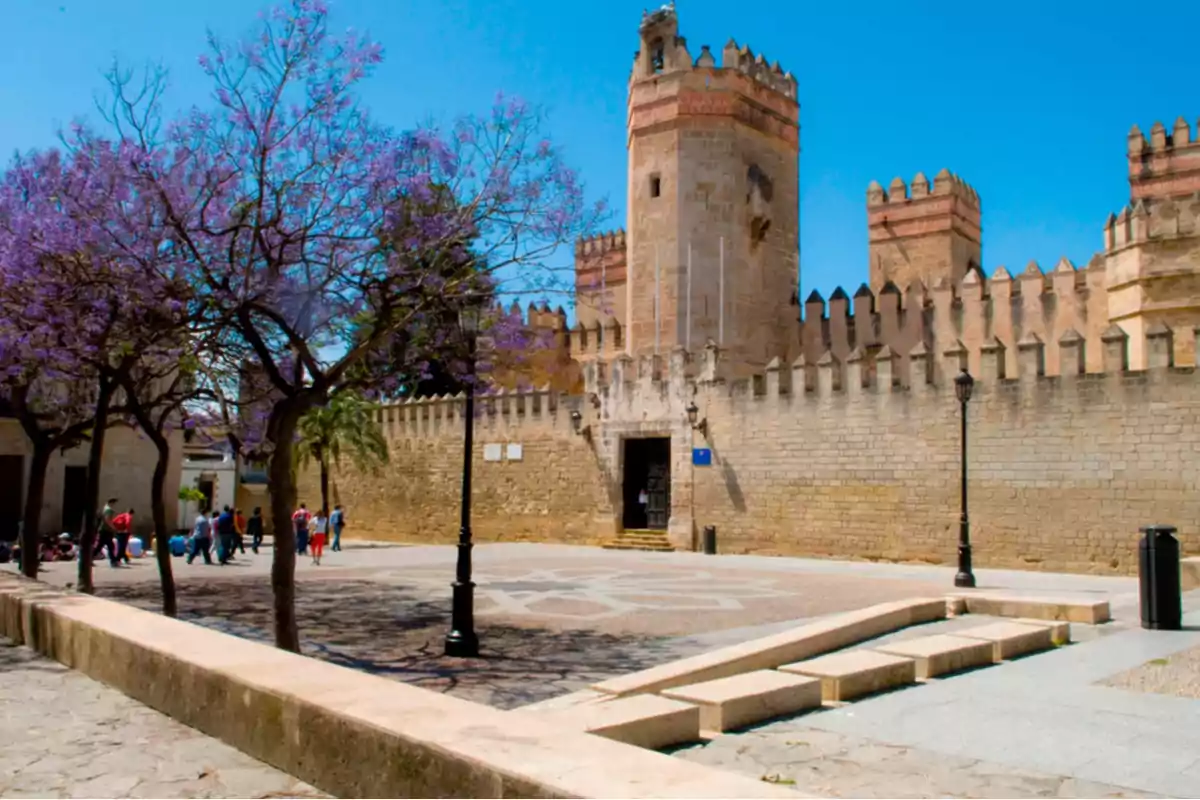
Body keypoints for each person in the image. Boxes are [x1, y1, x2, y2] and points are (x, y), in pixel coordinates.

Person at [100, 497, 119, 567]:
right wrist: (113, 527)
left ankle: (90, 558)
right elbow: (107, 520)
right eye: (114, 503)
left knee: (101, 545)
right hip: (106, 530)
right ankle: (113, 561)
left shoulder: (105, 508)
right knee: (110, 546)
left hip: (103, 530)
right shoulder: (109, 510)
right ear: (112, 503)